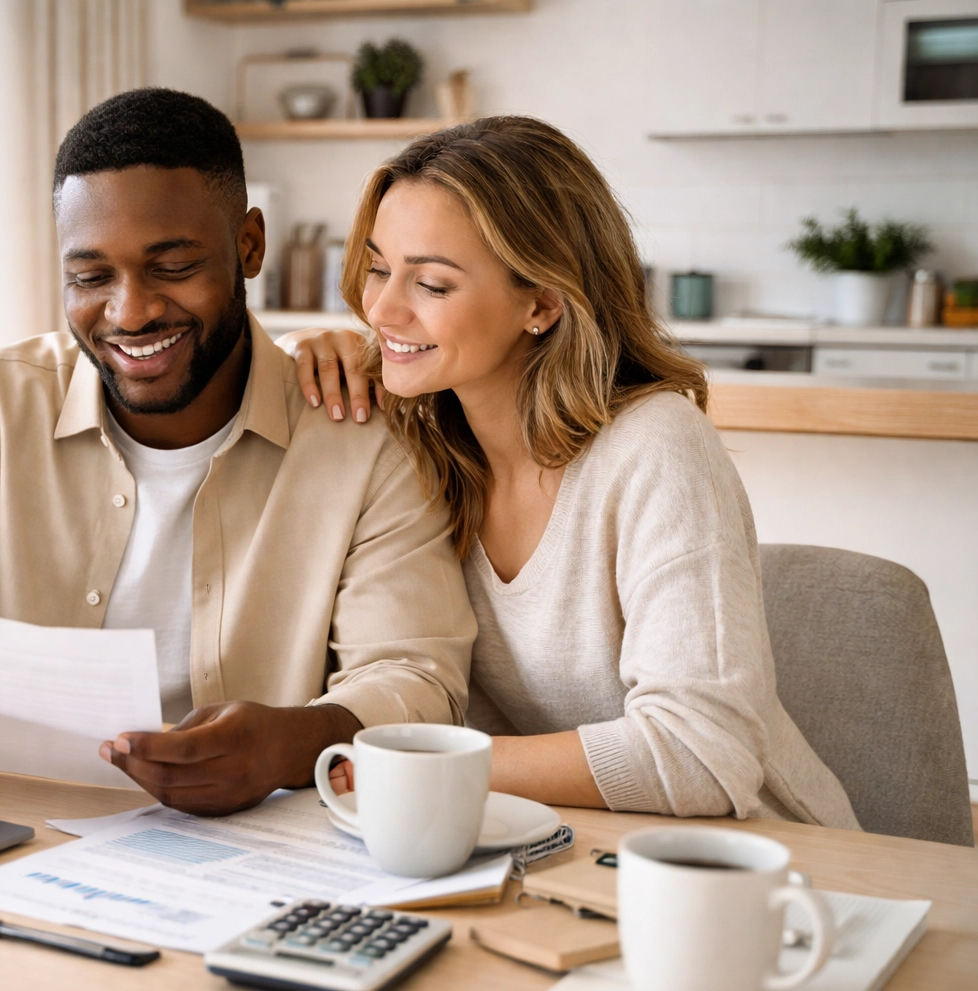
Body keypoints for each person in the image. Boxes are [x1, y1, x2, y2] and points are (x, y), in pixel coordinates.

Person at [0, 89, 475, 817]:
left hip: (256, 840)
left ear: (250, 246)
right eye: (90, 277)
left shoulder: (362, 437)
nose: (130, 312)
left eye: (172, 267)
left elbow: (416, 675)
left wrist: (293, 743)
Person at [288, 116, 858, 827]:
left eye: (430, 283)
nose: (381, 308)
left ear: (541, 304)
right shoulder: (419, 433)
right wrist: (304, 352)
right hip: (548, 843)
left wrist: (425, 761)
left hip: (755, 861)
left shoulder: (656, 449)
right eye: (378, 267)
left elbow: (703, 756)